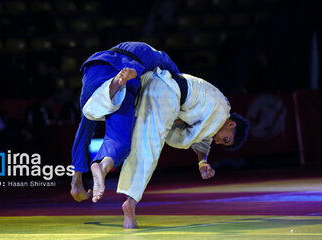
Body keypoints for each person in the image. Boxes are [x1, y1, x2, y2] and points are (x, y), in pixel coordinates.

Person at [84, 67, 250, 228]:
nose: (219, 141)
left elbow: (203, 139)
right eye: (226, 139)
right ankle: (131, 203)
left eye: (222, 144)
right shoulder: (222, 111)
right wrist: (175, 123)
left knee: (120, 121)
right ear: (231, 123)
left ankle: (103, 161)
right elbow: (191, 139)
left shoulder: (215, 112)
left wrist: (202, 162)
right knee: (151, 148)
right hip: (167, 93)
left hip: (155, 82)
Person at [70, 42, 180, 203]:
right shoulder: (162, 58)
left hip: (95, 68)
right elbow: (179, 86)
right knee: (119, 139)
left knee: (87, 121)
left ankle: (75, 181)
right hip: (127, 74)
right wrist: (178, 115)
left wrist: (77, 178)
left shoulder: (128, 46)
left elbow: (84, 132)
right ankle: (102, 166)